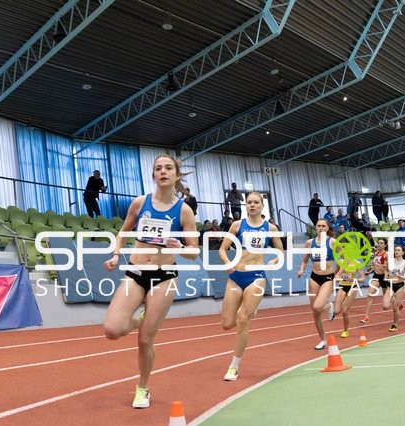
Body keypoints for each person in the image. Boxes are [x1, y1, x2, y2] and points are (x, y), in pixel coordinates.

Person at [102, 155, 199, 408]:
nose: (163, 172)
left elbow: (194, 251)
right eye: (158, 168)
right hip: (135, 271)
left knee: (145, 339)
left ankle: (143, 387)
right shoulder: (140, 202)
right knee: (112, 330)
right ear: (153, 175)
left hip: (164, 276)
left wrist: (179, 246)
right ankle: (139, 320)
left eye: (168, 168)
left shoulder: (184, 210)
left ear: (177, 175)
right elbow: (123, 231)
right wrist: (115, 254)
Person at [219, 191, 284, 381]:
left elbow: (280, 251)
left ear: (262, 206)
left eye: (256, 202)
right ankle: (251, 309)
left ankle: (234, 366)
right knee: (226, 324)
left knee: (242, 319)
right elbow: (222, 250)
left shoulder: (270, 228)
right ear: (245, 205)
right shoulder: (237, 225)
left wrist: (273, 262)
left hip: (256, 276)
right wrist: (228, 264)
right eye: (249, 202)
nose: (252, 205)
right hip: (236, 276)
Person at [297, 219, 337, 350]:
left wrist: (337, 275)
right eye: (318, 226)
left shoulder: (332, 242)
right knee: (315, 312)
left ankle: (329, 305)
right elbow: (304, 260)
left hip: (327, 278)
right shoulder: (309, 243)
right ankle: (322, 340)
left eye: (323, 226)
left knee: (318, 307)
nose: (321, 228)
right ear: (316, 228)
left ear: (327, 228)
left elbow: (345, 259)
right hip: (314, 277)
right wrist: (301, 269)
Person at [332, 256, 366, 338]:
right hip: (342, 286)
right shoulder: (340, 261)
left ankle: (345, 331)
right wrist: (337, 278)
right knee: (336, 311)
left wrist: (354, 280)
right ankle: (332, 308)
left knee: (345, 310)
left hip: (353, 287)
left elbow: (363, 278)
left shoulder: (357, 263)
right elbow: (335, 274)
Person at [383, 244, 405, 332]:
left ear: (402, 252)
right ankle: (395, 301)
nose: (396, 252)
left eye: (399, 250)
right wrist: (386, 276)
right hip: (390, 285)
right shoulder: (390, 261)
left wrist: (401, 276)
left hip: (399, 286)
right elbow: (386, 270)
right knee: (385, 306)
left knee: (395, 308)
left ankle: (395, 324)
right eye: (395, 250)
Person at [360, 238, 388, 323]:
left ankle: (398, 302)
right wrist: (369, 272)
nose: (379, 244)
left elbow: (386, 267)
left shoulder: (386, 254)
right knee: (370, 294)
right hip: (376, 276)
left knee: (386, 299)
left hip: (385, 277)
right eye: (378, 243)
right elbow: (375, 266)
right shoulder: (376, 254)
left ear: (385, 245)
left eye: (381, 243)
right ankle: (366, 316)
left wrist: (377, 264)